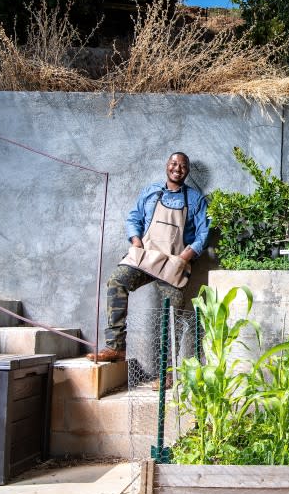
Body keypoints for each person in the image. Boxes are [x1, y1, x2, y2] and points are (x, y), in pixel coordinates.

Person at [87, 152, 209, 362]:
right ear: (167, 166)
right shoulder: (151, 192)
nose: (177, 168)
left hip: (173, 263)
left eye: (182, 165)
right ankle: (116, 347)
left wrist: (183, 258)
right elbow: (134, 217)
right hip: (145, 258)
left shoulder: (196, 199)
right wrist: (136, 242)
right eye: (174, 163)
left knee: (173, 312)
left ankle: (168, 371)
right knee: (116, 281)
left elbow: (203, 234)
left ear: (187, 171)